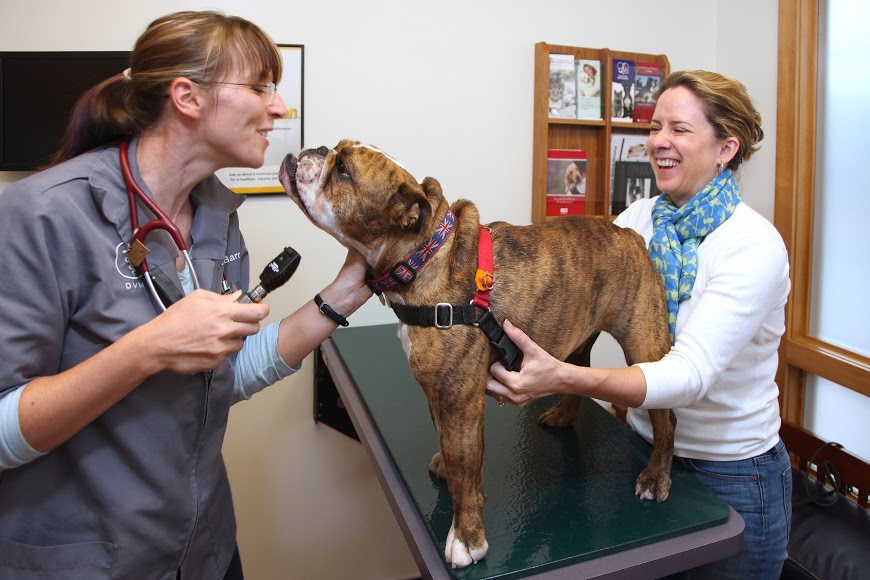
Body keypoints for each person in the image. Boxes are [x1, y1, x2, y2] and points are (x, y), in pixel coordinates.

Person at [0, 10, 371, 580]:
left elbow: (220, 378)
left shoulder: (217, 219)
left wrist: (348, 290)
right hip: (88, 562)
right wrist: (146, 349)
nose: (280, 107)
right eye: (260, 88)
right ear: (187, 97)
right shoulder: (42, 215)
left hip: (204, 551)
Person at [487, 70, 791, 579]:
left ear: (726, 148)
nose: (659, 143)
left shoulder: (753, 246)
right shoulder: (639, 220)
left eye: (680, 129)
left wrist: (565, 378)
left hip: (735, 475)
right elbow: (583, 303)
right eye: (654, 127)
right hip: (639, 446)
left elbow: (689, 376)